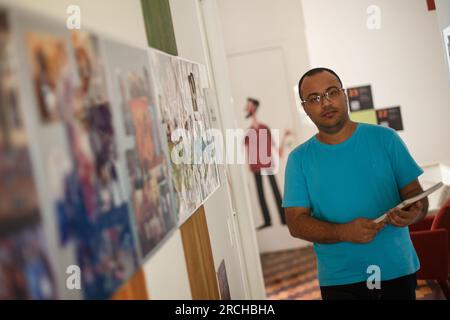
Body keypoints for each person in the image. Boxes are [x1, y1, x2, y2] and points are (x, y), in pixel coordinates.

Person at [282, 67, 428, 300]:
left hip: (396, 270)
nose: (325, 102)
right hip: (341, 279)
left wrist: (414, 213)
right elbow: (296, 223)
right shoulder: (299, 159)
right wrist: (343, 232)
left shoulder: (385, 139)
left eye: (331, 92)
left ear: (344, 95)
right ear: (305, 108)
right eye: (314, 98)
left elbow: (416, 196)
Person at [244, 98, 291, 230]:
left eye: (249, 106)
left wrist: (284, 138)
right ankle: (267, 220)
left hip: (268, 163)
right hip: (256, 166)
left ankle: (284, 218)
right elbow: (247, 150)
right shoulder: (248, 132)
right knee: (260, 192)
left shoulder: (264, 128)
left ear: (254, 107)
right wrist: (249, 165)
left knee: (275, 190)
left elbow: (275, 148)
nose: (246, 108)